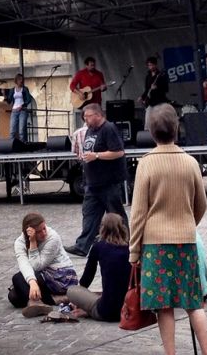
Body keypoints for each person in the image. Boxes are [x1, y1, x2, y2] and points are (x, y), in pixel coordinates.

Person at [129, 104, 207, 355]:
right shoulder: (190, 162)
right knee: (193, 302)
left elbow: (138, 213)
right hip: (186, 241)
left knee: (164, 304)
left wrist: (134, 251)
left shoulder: (146, 163)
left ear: (151, 132)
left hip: (155, 245)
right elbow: (201, 204)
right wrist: (188, 225)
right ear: (177, 129)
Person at [65, 103, 127, 257]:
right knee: (89, 214)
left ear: (98, 115)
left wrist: (97, 156)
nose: (85, 120)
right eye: (84, 117)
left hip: (109, 182)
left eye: (88, 116)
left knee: (116, 214)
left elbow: (118, 152)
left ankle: (126, 242)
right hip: (92, 182)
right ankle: (82, 246)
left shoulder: (108, 128)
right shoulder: (90, 130)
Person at [8, 212, 79, 316]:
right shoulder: (19, 242)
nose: (44, 233)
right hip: (42, 276)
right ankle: (52, 300)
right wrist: (32, 282)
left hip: (62, 277)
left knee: (17, 278)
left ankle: (37, 302)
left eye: (44, 228)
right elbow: (24, 264)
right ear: (29, 232)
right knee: (13, 297)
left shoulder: (53, 237)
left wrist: (33, 243)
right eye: (38, 231)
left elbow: (37, 266)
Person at [66, 213, 131, 322]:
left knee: (72, 290)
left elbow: (88, 276)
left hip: (106, 311)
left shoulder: (98, 247)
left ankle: (89, 310)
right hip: (129, 310)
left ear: (102, 228)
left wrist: (81, 295)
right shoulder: (130, 248)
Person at [139, 55, 170, 129]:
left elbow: (166, 89)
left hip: (159, 102)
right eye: (149, 65)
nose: (151, 67)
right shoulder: (148, 76)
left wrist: (157, 87)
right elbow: (147, 89)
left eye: (152, 65)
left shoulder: (161, 75)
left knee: (160, 122)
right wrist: (142, 97)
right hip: (151, 102)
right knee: (147, 123)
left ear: (156, 65)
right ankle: (148, 135)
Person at [4, 73, 34, 142]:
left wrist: (22, 106)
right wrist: (5, 96)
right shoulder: (12, 90)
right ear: (16, 80)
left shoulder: (25, 89)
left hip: (22, 110)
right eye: (20, 79)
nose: (21, 81)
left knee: (21, 131)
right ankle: (12, 145)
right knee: (12, 130)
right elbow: (9, 101)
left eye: (22, 79)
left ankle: (23, 145)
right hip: (14, 111)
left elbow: (29, 99)